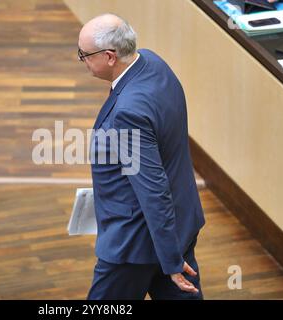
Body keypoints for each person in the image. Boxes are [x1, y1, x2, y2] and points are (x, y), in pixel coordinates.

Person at [77, 13, 206, 300]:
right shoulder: (152, 62)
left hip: (136, 243)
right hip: (177, 225)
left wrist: (171, 260)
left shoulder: (128, 111)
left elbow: (152, 187)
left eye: (84, 55)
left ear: (110, 57)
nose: (82, 60)